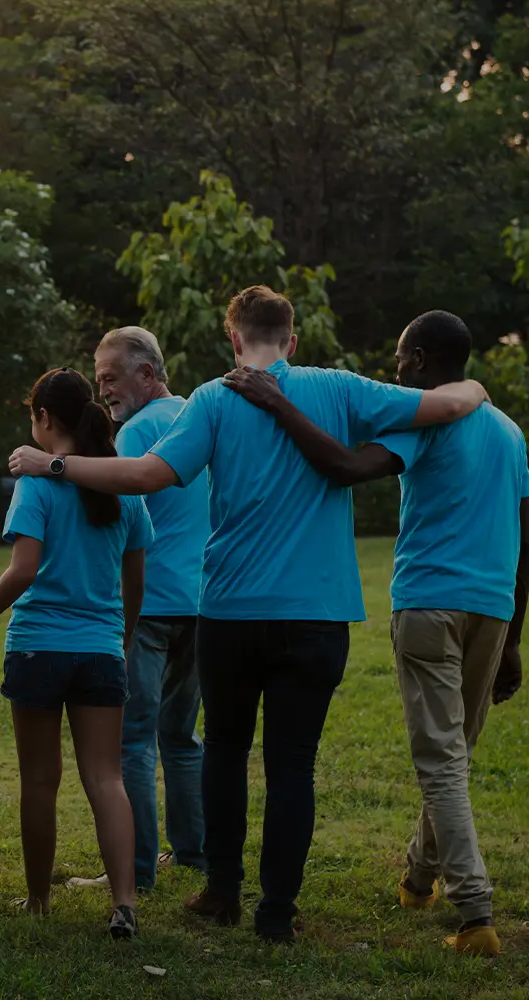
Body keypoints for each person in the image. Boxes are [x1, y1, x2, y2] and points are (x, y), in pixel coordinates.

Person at [8, 286, 488, 942]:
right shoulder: (343, 388)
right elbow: (449, 401)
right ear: (292, 341)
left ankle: (224, 892)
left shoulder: (214, 398)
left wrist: (55, 465)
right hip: (318, 615)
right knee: (293, 762)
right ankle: (277, 914)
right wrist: (477, 392)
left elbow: (146, 476)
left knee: (226, 753)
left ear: (235, 341)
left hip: (231, 612)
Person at [223, 310, 528, 955]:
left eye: (397, 356)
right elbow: (525, 541)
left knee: (442, 760)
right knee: (455, 754)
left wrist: (277, 403)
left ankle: (474, 914)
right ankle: (419, 878)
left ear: (417, 359)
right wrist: (515, 637)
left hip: (428, 605)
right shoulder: (509, 432)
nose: (393, 368)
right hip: (493, 607)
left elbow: (341, 467)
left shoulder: (424, 420)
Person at [0, 368, 152, 936]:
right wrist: (126, 633)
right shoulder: (121, 485)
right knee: (106, 779)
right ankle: (125, 904)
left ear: (44, 418)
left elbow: (23, 571)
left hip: (39, 647)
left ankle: (39, 900)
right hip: (100, 650)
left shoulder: (36, 485)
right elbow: (135, 578)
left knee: (40, 781)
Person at [77, 327, 208, 894]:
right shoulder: (205, 418)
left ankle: (135, 870)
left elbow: (114, 508)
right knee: (181, 737)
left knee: (132, 740)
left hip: (148, 606)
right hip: (204, 603)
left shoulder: (138, 431)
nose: (102, 388)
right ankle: (194, 854)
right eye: (99, 377)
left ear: (148, 373)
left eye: (111, 377)